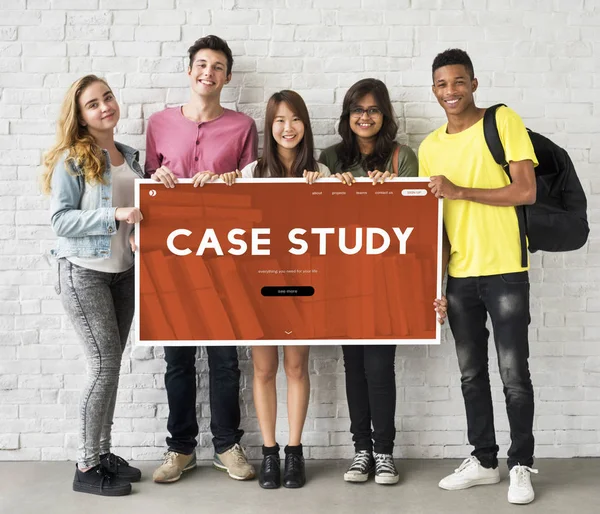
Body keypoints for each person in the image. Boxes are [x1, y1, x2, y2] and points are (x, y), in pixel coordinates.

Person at [418, 48, 538, 505]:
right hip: (459, 276)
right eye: (443, 84)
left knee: (514, 375)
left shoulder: (502, 120)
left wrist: (459, 189)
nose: (451, 91)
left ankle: (520, 465)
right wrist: (438, 287)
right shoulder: (430, 147)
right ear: (434, 90)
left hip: (506, 268)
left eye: (459, 82)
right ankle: (485, 462)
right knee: (471, 375)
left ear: (474, 83)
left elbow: (525, 189)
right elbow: (438, 224)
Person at [146, 35, 258, 484]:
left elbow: (254, 193)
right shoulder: (158, 123)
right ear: (189, 70)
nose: (207, 72)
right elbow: (146, 185)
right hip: (172, 262)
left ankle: (228, 445)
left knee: (225, 359)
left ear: (227, 77)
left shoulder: (244, 127)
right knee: (178, 359)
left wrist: (230, 180)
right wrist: (156, 176)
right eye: (201, 64)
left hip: (224, 261)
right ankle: (180, 449)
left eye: (217, 67)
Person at [207, 90, 330, 489]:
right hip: (260, 288)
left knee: (296, 367)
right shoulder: (250, 173)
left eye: (295, 119)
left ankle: (295, 452)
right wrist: (219, 183)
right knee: (264, 368)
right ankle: (271, 452)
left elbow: (340, 228)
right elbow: (224, 221)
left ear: (305, 126)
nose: (287, 128)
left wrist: (327, 188)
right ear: (269, 126)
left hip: (302, 286)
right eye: (279, 120)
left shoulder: (321, 172)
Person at [43, 75, 144, 496]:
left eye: (108, 97)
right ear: (81, 117)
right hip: (84, 272)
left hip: (123, 273)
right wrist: (115, 215)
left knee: (112, 367)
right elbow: (60, 220)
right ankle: (86, 464)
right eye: (92, 104)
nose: (104, 106)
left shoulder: (131, 157)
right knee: (103, 367)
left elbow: (141, 214)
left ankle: (102, 453)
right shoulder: (74, 158)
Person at [319, 78, 420, 485]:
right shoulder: (329, 157)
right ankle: (361, 450)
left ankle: (384, 453)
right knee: (354, 365)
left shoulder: (402, 157)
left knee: (380, 367)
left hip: (386, 282)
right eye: (358, 110)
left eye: (373, 110)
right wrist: (327, 185)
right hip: (342, 282)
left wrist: (389, 193)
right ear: (347, 116)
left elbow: (416, 221)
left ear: (385, 116)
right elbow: (314, 218)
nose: (365, 117)